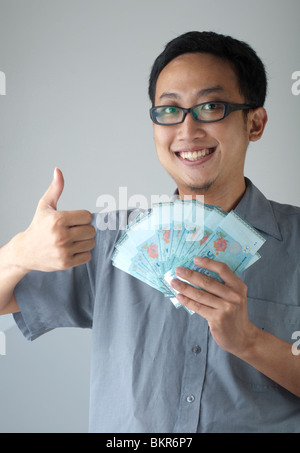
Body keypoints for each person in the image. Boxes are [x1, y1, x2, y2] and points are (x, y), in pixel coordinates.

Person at [0, 31, 300, 433]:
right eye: (169, 110)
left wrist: (249, 341)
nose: (188, 129)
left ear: (255, 123)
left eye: (211, 106)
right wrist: (17, 254)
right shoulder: (108, 237)